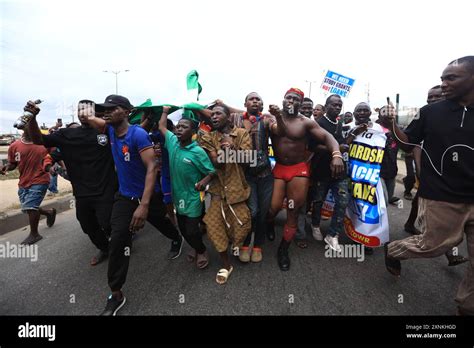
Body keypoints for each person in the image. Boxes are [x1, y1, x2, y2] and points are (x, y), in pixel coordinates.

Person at [382, 56, 474, 315]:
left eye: (451, 78)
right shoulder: (431, 112)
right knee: (433, 245)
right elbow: (407, 142)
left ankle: (467, 307)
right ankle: (394, 249)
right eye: (442, 78)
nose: (443, 83)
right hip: (442, 196)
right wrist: (393, 123)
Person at [86, 95, 183, 315]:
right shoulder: (109, 130)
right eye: (105, 109)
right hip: (124, 197)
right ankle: (116, 292)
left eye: (113, 108)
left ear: (127, 111)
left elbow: (152, 167)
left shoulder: (138, 134)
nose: (107, 112)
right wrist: (85, 110)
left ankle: (176, 237)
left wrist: (144, 205)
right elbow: (92, 119)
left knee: (162, 223)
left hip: (147, 196)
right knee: (119, 238)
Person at [26, 99, 118, 266]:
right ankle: (105, 248)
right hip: (82, 192)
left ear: (94, 113)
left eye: (87, 110)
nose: (83, 113)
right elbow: (39, 140)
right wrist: (32, 118)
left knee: (107, 222)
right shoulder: (66, 134)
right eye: (80, 109)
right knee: (87, 225)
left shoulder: (107, 132)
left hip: (106, 189)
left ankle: (121, 245)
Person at [267, 88, 344, 271]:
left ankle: (283, 249)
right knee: (273, 208)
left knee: (293, 211)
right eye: (289, 97)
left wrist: (336, 154)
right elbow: (274, 128)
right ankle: (269, 225)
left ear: (301, 104)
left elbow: (328, 136)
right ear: (283, 99)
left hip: (298, 170)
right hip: (279, 168)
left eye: (296, 99)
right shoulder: (272, 117)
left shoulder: (306, 122)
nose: (291, 101)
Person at [403, 85, 468, 266]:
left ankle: (409, 224)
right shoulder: (428, 116)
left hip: (449, 177)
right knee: (441, 220)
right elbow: (416, 145)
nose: (431, 100)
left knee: (419, 200)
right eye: (429, 97)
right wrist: (419, 168)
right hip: (430, 173)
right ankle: (450, 253)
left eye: (436, 97)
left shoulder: (456, 116)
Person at [206, 93, 275, 262]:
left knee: (263, 212)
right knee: (252, 211)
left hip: (265, 174)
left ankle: (257, 245)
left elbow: (279, 126)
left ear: (262, 104)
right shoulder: (235, 120)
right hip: (245, 176)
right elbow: (215, 116)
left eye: (258, 99)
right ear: (245, 103)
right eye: (251, 99)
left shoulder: (266, 120)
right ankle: (244, 243)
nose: (255, 101)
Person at [158, 106, 216, 269]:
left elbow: (212, 171)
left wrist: (204, 181)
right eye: (178, 126)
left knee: (191, 230)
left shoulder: (198, 151)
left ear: (193, 132)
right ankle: (195, 246)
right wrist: (164, 111)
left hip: (193, 197)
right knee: (182, 228)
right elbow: (162, 127)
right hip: (179, 196)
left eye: (184, 127)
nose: (178, 129)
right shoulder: (172, 142)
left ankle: (201, 250)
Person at [200, 104, 252, 284]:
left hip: (237, 189)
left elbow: (248, 160)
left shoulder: (242, 134)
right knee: (213, 227)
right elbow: (217, 163)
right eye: (211, 114)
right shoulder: (208, 137)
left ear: (228, 118)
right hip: (217, 190)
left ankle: (237, 247)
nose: (213, 116)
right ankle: (225, 264)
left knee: (241, 226)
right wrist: (225, 150)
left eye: (218, 113)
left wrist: (234, 148)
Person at [1, 123, 56, 245]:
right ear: (22, 128)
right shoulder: (14, 146)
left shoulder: (44, 142)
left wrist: (54, 167)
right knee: (28, 207)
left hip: (41, 179)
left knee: (31, 206)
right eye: (28, 125)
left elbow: (55, 156)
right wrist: (5, 167)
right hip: (24, 181)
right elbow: (13, 164)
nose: (31, 128)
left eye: (33, 125)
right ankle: (49, 212)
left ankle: (34, 234)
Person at [310, 95, 351, 253]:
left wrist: (343, 146)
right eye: (334, 105)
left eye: (340, 105)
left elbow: (340, 142)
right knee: (319, 200)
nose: (338, 107)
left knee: (342, 200)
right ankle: (315, 224)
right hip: (322, 170)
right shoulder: (318, 123)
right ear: (326, 107)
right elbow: (312, 146)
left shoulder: (339, 123)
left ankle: (333, 234)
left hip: (339, 172)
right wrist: (335, 150)